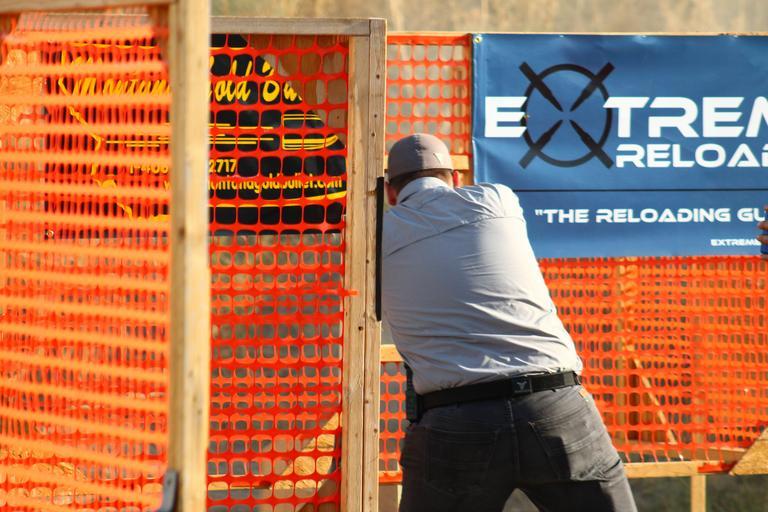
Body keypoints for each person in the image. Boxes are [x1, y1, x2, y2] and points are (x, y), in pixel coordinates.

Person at [381, 133, 637, 512]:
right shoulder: (496, 199)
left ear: (390, 193)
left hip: (454, 419)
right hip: (553, 403)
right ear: (454, 177)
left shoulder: (376, 236)